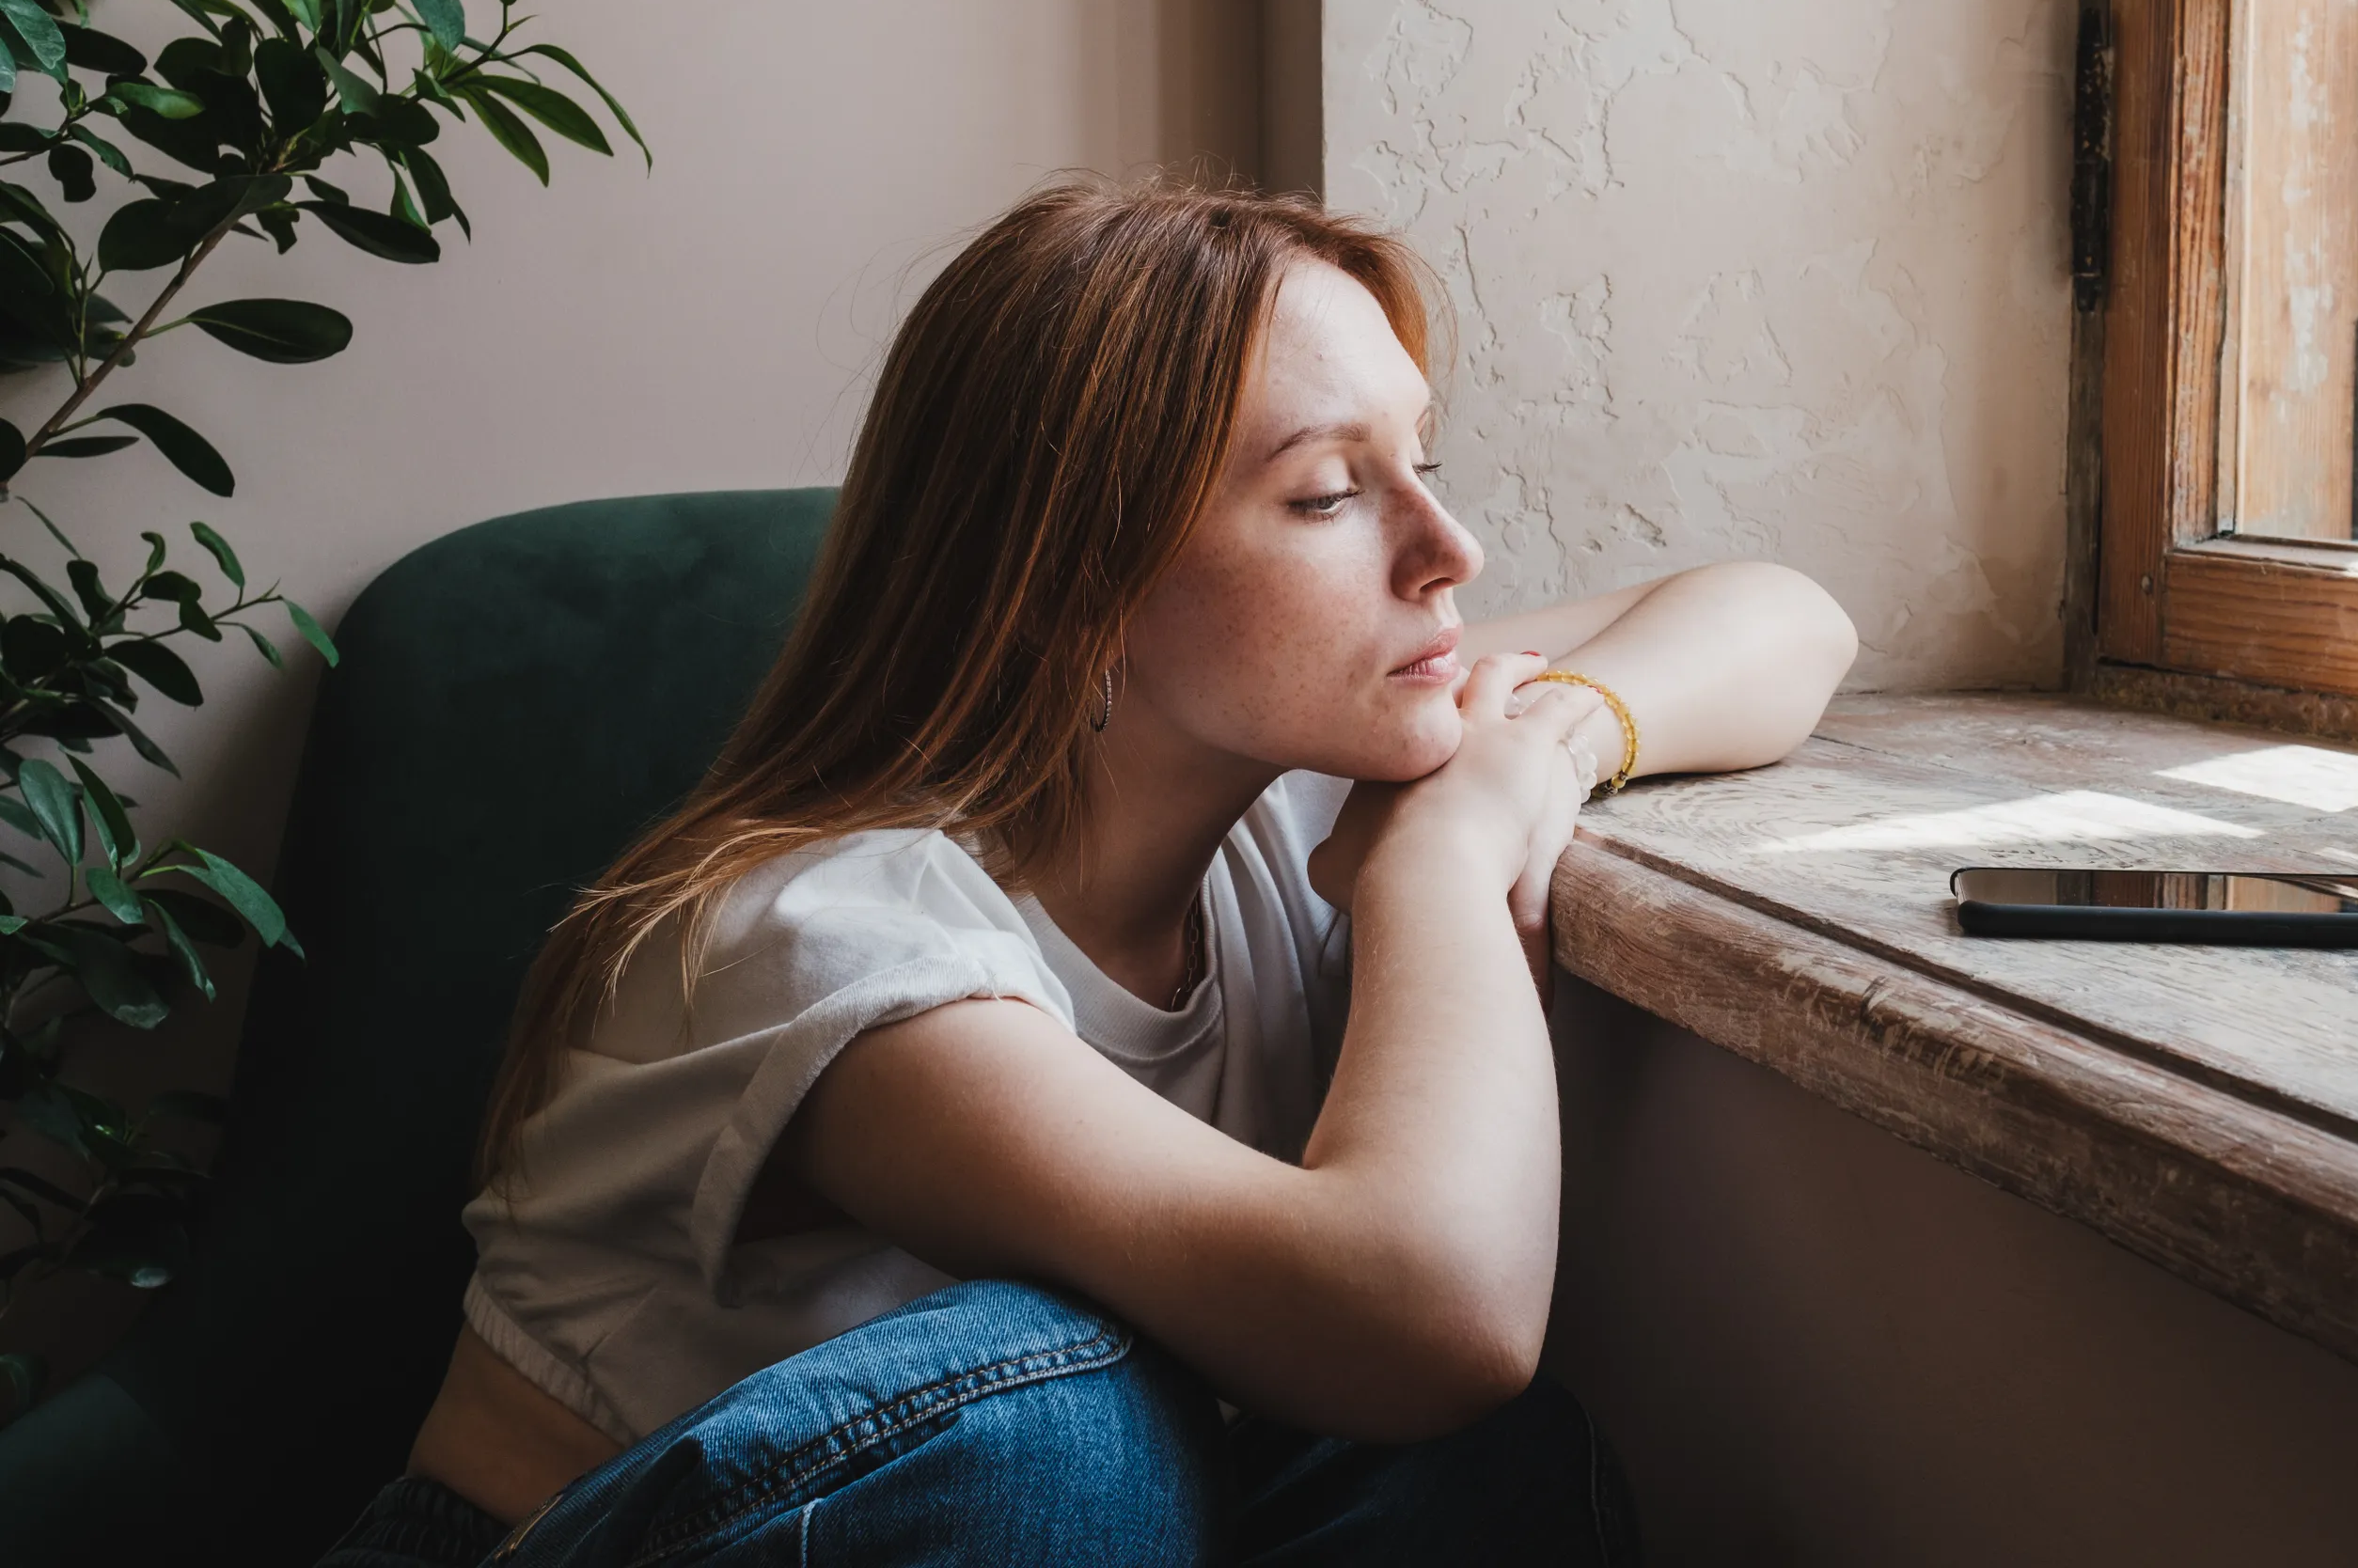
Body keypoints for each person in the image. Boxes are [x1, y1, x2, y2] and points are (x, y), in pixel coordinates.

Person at [319, 180, 1858, 1566]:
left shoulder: (1280, 773)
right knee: (1056, 1430)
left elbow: (1781, 616)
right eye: (1331, 495)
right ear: (1076, 578)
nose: (1449, 546)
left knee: (1476, 1478)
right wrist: (1446, 863)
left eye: (1425, 461)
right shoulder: (830, 945)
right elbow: (1431, 1311)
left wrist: (1557, 743)